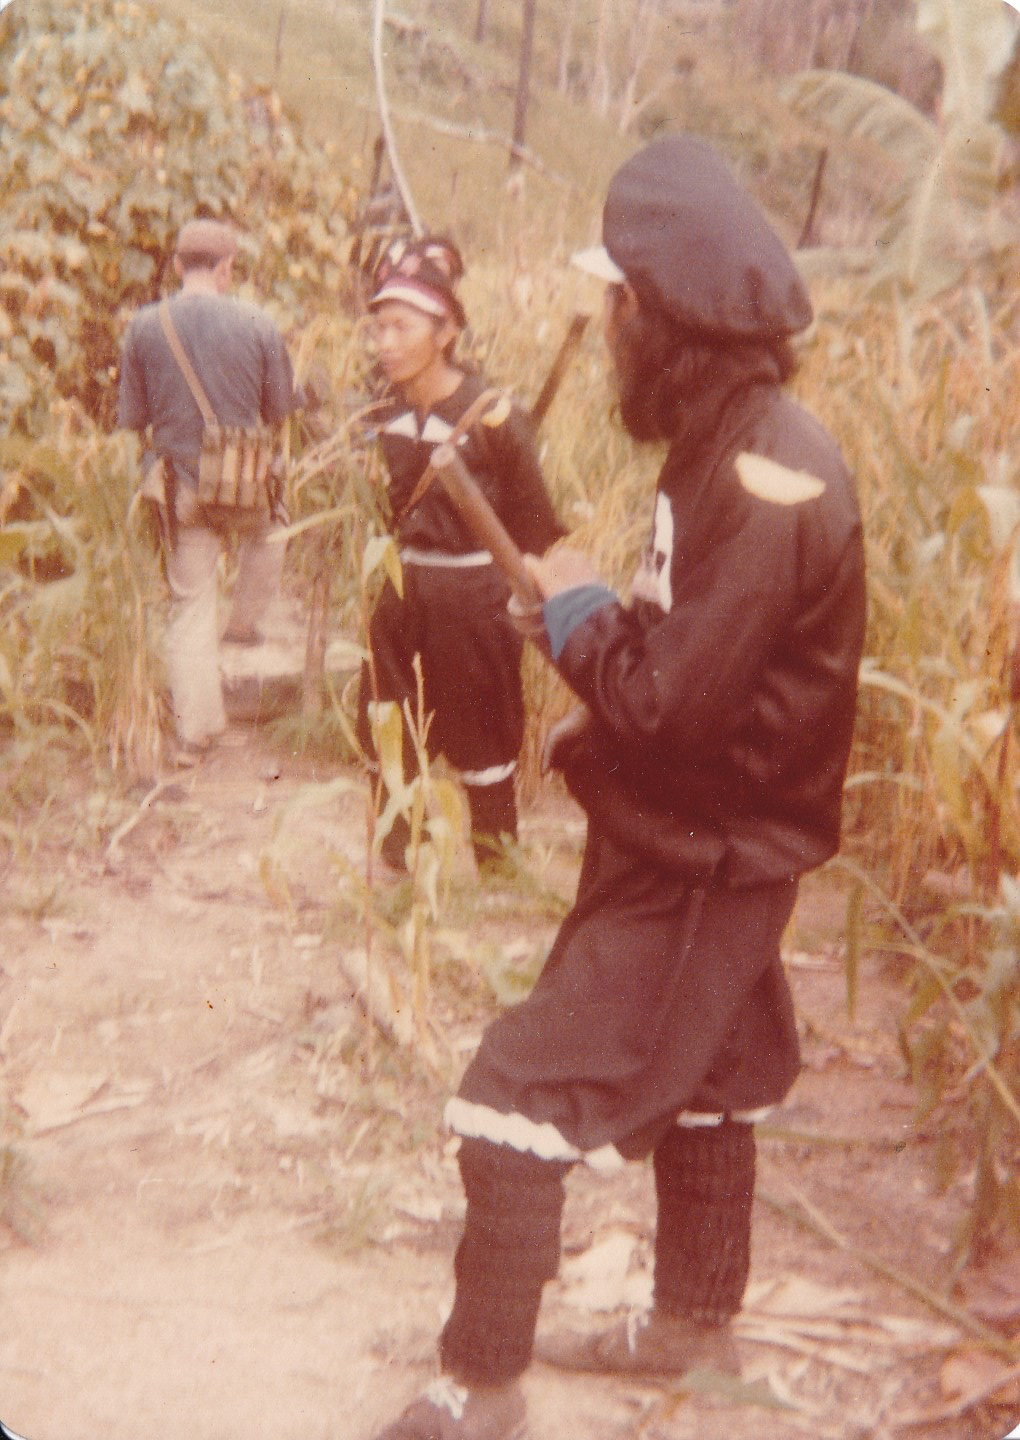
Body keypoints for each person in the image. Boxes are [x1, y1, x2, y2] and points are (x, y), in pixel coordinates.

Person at [370, 134, 867, 1440]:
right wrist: (582, 622)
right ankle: (695, 1327)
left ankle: (481, 1389)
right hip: (691, 837)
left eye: (614, 305)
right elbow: (687, 661)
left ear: (655, 313)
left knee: (512, 1098)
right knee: (710, 1080)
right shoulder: (722, 441)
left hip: (705, 854)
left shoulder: (773, 475)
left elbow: (672, 704)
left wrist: (582, 612)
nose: (603, 327)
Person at [355, 235, 563, 871]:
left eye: (401, 327)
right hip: (398, 593)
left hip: (473, 603)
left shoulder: (493, 415)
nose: (385, 342)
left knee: (483, 729)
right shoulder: (381, 414)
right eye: (379, 327)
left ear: (445, 333)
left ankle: (497, 866)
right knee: (391, 718)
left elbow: (536, 524)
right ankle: (402, 860)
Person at [118, 217, 301, 761]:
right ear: (227, 270)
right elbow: (278, 410)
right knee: (274, 535)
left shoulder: (145, 326)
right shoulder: (260, 323)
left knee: (190, 604)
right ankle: (243, 624)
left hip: (183, 491)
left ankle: (197, 731)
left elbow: (132, 418)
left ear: (177, 266)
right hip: (248, 487)